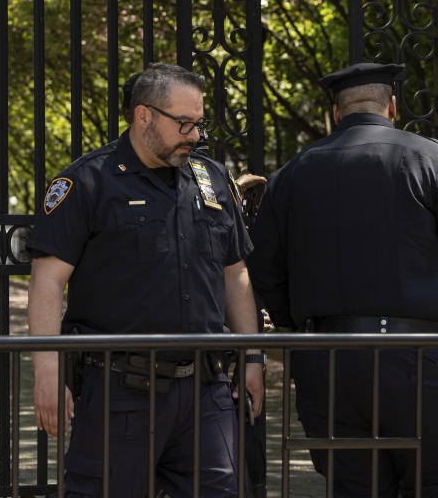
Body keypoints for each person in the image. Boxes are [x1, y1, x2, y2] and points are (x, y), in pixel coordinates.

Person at [27, 62, 264, 497]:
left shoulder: (211, 180)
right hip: (121, 391)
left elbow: (236, 274)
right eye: (185, 124)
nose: (195, 136)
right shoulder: (87, 182)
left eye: (199, 124)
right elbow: (46, 282)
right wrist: (46, 368)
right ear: (143, 116)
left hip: (205, 392)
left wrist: (253, 358)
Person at [247, 61, 438, 497]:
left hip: (327, 360)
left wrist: (294, 323)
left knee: (354, 485)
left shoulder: (292, 174)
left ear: (336, 113)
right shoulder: (429, 158)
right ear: (392, 106)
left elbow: (263, 270)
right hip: (421, 358)